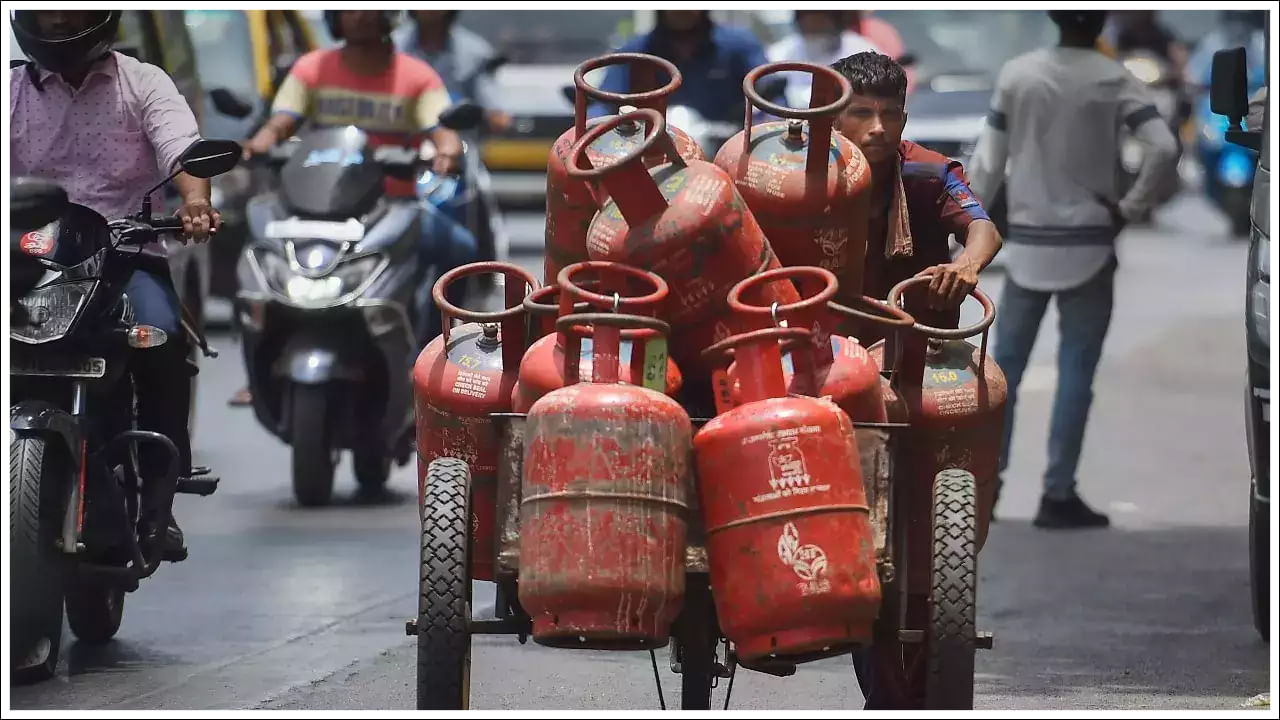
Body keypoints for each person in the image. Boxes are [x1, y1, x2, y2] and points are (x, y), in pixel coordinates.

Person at [10, 9, 223, 559]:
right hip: (32, 262)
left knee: (162, 338)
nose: (59, 23)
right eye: (48, 16)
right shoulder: (11, 91)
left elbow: (182, 148)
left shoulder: (143, 82)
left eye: (70, 14)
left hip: (126, 258)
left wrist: (196, 202)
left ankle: (159, 503)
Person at [966, 10, 1179, 529]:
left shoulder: (1018, 74)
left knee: (1003, 372)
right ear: (1101, 22)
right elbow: (1164, 147)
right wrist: (1129, 208)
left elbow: (989, 161)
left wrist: (970, 222)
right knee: (1076, 372)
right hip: (1090, 243)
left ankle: (988, 491)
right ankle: (1058, 493)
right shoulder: (1114, 78)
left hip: (1029, 245)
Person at [241, 10, 473, 348]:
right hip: (315, 208)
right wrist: (260, 143)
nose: (360, 15)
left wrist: (447, 152)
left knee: (461, 250)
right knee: (257, 261)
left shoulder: (417, 76)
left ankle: (435, 354)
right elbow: (280, 123)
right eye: (350, 8)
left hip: (393, 206)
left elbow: (443, 130)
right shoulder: (312, 68)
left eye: (369, 7)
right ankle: (262, 359)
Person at [827, 51, 1003, 341]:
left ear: (904, 120)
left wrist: (964, 267)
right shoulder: (803, 175)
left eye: (890, 114)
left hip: (919, 343)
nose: (878, 128)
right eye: (862, 114)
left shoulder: (930, 172)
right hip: (829, 345)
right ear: (834, 120)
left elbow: (984, 229)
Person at [588, 11, 780, 124]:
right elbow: (603, 102)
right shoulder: (635, 52)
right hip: (650, 159)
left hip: (726, 161)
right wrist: (593, 124)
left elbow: (772, 98)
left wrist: (768, 124)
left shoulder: (740, 45)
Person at [766, 10, 879, 109]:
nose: (815, 21)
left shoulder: (863, 49)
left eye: (822, 13)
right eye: (809, 13)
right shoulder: (778, 53)